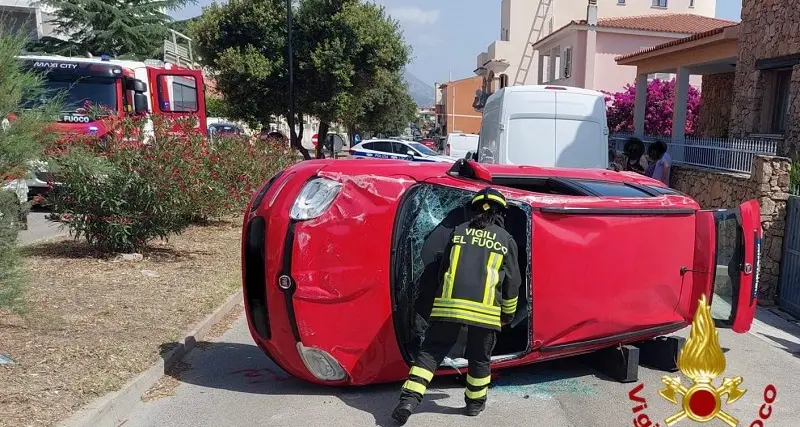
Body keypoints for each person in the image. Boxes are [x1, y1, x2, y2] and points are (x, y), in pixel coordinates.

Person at [391, 187, 522, 425]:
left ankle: (408, 400)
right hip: (485, 312)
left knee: (431, 353)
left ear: (472, 211)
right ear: (501, 213)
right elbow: (513, 283)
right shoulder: (506, 240)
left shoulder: (458, 232)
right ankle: (474, 404)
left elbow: (443, 271)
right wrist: (508, 315)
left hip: (448, 308)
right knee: (480, 358)